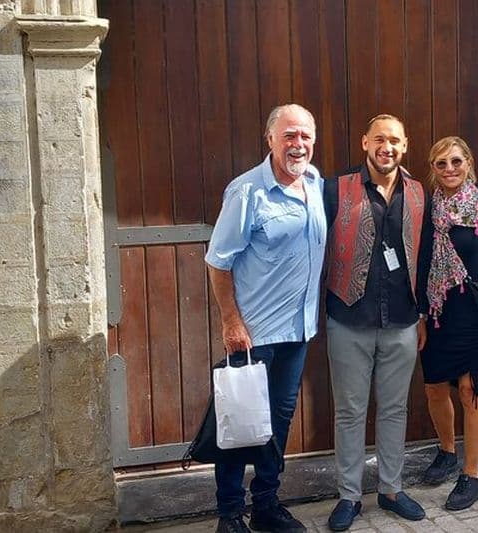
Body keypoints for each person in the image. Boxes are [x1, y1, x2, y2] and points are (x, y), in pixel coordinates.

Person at [205, 104, 326, 533]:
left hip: (298, 330)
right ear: (270, 138)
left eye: (305, 136)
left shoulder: (315, 183)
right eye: (289, 135)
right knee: (240, 422)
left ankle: (266, 505)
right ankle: (229, 514)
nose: (298, 144)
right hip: (254, 335)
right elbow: (218, 261)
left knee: (277, 423)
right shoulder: (247, 192)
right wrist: (231, 322)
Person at [323, 114, 432, 531]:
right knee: (349, 411)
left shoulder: (418, 193)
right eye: (380, 139)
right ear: (365, 142)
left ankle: (391, 489)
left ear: (405, 146)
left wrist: (422, 314)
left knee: (394, 409)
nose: (387, 147)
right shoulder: (335, 189)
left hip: (402, 320)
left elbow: (424, 257)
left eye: (395, 141)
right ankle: (349, 496)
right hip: (348, 317)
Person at [419, 136, 478, 511]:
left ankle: (471, 476)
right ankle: (447, 451)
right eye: (441, 163)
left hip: (475, 310)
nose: (449, 169)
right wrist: (418, 314)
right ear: (433, 168)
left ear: (469, 163)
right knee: (434, 388)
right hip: (437, 310)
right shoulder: (425, 208)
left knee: (468, 389)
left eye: (456, 161)